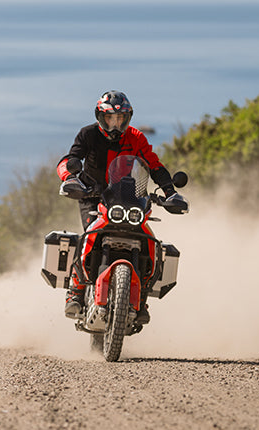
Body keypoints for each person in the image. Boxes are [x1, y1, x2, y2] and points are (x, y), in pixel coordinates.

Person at [56, 90, 179, 321]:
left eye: (121, 118)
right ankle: (76, 290)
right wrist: (69, 178)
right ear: (100, 117)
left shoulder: (136, 137)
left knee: (148, 239)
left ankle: (141, 297)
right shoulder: (88, 134)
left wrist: (170, 191)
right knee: (89, 234)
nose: (116, 124)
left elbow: (154, 165)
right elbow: (68, 160)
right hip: (91, 195)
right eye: (111, 118)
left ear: (128, 118)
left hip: (126, 197)